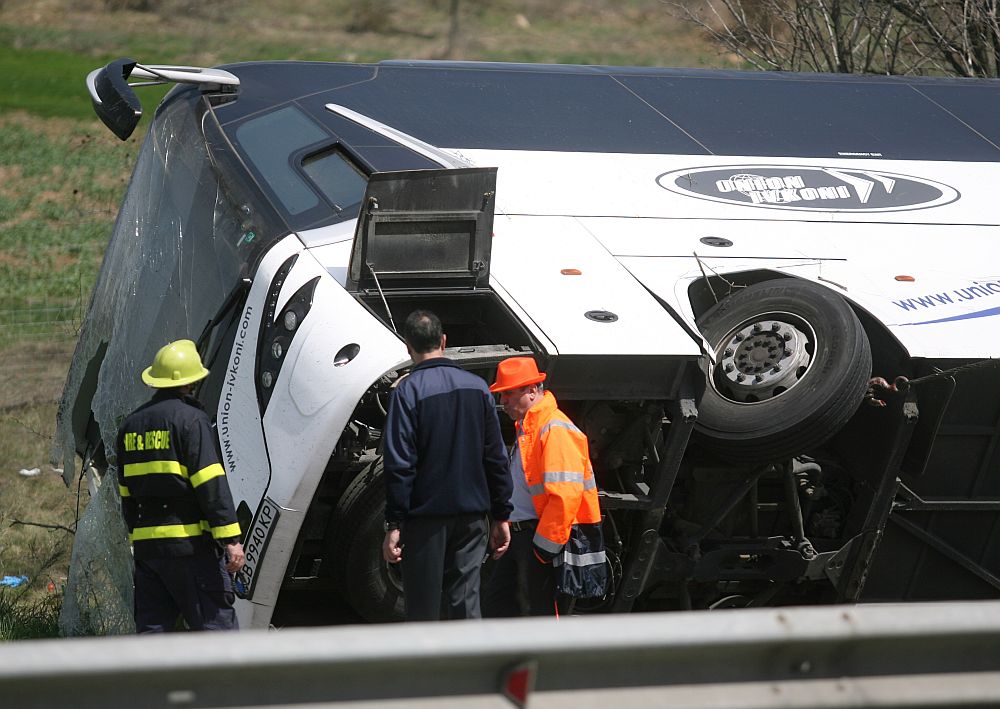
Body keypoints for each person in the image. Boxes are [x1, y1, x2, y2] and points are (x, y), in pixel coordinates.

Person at [382, 310, 513, 621]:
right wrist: (501, 514)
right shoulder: (478, 388)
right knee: (466, 604)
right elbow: (495, 456)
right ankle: (469, 668)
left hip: (426, 520)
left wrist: (394, 524)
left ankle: (427, 668)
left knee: (423, 608)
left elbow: (399, 464)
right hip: (471, 519)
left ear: (408, 346)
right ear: (444, 341)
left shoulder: (407, 392)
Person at [116, 339, 245, 632]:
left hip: (149, 551)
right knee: (216, 631)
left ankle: (151, 680)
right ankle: (230, 680)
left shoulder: (130, 426)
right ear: (192, 382)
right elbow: (210, 483)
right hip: (191, 548)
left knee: (153, 634)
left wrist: (141, 536)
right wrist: (231, 539)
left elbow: (126, 492)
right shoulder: (191, 420)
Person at [483, 356, 607, 617]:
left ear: (531, 391)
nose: (502, 401)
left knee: (537, 615)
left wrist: (544, 549)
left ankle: (539, 658)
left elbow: (564, 496)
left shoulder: (553, 428)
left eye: (508, 394)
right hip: (522, 536)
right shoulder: (530, 428)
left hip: (536, 539)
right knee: (499, 607)